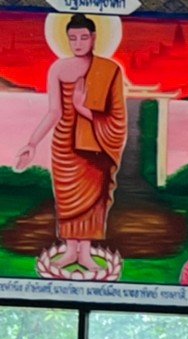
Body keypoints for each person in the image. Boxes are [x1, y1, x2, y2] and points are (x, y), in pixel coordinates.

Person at [15, 14, 126, 276]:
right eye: (72, 38)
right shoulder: (58, 68)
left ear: (94, 38)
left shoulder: (109, 70)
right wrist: (32, 142)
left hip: (94, 145)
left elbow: (117, 118)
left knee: (93, 200)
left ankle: (85, 253)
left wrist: (81, 108)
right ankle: (70, 250)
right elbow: (54, 111)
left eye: (83, 37)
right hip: (64, 145)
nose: (78, 43)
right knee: (67, 199)